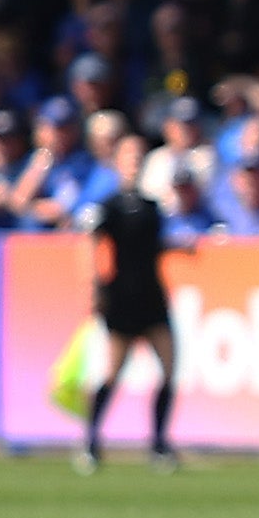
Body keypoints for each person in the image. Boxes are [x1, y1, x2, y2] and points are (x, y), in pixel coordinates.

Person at [76, 142, 184, 471]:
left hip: (151, 293)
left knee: (169, 368)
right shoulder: (109, 206)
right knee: (112, 372)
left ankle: (159, 443)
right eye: (128, 157)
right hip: (122, 295)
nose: (134, 163)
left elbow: (154, 246)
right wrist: (96, 285)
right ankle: (91, 441)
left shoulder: (153, 206)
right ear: (118, 163)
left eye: (138, 157)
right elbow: (93, 242)